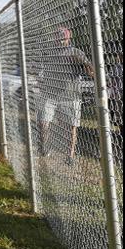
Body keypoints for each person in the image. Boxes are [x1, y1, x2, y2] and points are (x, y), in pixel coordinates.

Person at [36, 26, 94, 163]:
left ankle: (70, 156)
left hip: (70, 95)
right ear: (55, 38)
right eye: (58, 37)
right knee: (43, 122)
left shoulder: (76, 52)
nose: (61, 40)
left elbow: (90, 72)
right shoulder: (49, 53)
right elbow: (41, 70)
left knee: (71, 126)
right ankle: (45, 149)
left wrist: (82, 63)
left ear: (69, 38)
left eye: (64, 38)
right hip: (50, 93)